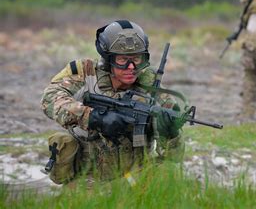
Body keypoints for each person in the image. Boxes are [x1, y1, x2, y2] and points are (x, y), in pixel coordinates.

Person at [41, 20, 185, 184]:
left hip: (136, 177)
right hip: (88, 178)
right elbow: (49, 98)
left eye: (137, 59)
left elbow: (174, 157)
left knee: (170, 174)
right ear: (108, 59)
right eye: (123, 60)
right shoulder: (85, 73)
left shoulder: (151, 88)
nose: (131, 67)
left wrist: (171, 134)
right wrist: (93, 117)